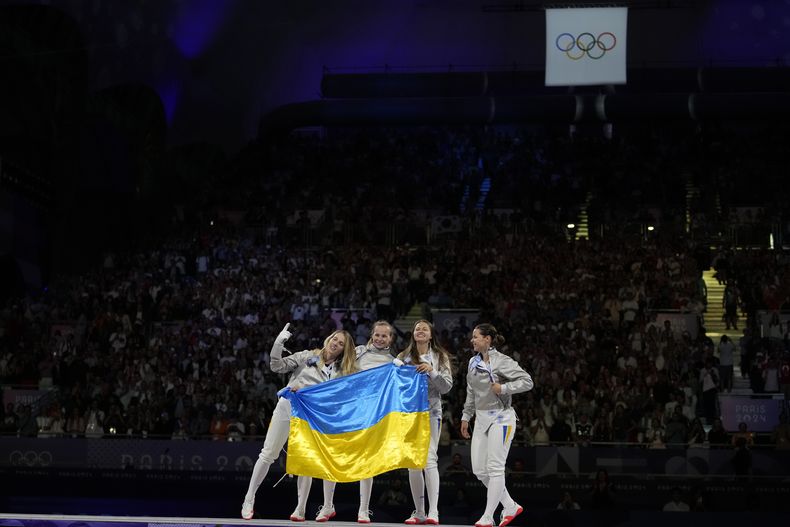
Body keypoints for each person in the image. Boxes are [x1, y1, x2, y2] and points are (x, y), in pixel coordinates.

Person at [240, 324, 357, 521]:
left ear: (344, 349)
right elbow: (276, 366)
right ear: (328, 338)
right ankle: (249, 498)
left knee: (306, 462)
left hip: (311, 415)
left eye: (340, 343)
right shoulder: (307, 356)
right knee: (268, 453)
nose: (335, 343)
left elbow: (339, 396)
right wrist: (278, 343)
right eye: (334, 339)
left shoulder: (342, 371)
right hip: (287, 407)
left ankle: (300, 508)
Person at [320, 320, 398, 523]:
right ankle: (327, 506)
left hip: (371, 417)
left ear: (390, 338)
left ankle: (363, 510)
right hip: (347, 411)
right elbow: (336, 364)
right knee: (333, 456)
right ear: (372, 335)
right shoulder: (359, 351)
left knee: (366, 463)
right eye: (377, 334)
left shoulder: (393, 362)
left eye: (384, 336)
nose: (380, 338)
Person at [460, 323, 534, 527]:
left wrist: (504, 388)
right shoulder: (473, 362)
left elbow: (527, 381)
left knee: (495, 468)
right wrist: (466, 416)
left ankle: (488, 516)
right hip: (481, 419)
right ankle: (510, 506)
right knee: (480, 471)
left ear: (487, 339)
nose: (472, 340)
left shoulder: (502, 361)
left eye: (476, 337)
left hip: (502, 418)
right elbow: (471, 391)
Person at [397, 320, 453, 525]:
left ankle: (433, 512)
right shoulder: (403, 357)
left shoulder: (440, 357)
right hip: (409, 415)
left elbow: (446, 387)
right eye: (417, 329)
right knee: (413, 464)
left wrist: (431, 370)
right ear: (413, 334)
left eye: (424, 329)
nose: (420, 331)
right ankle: (419, 512)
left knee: (429, 459)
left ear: (431, 335)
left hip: (431, 412)